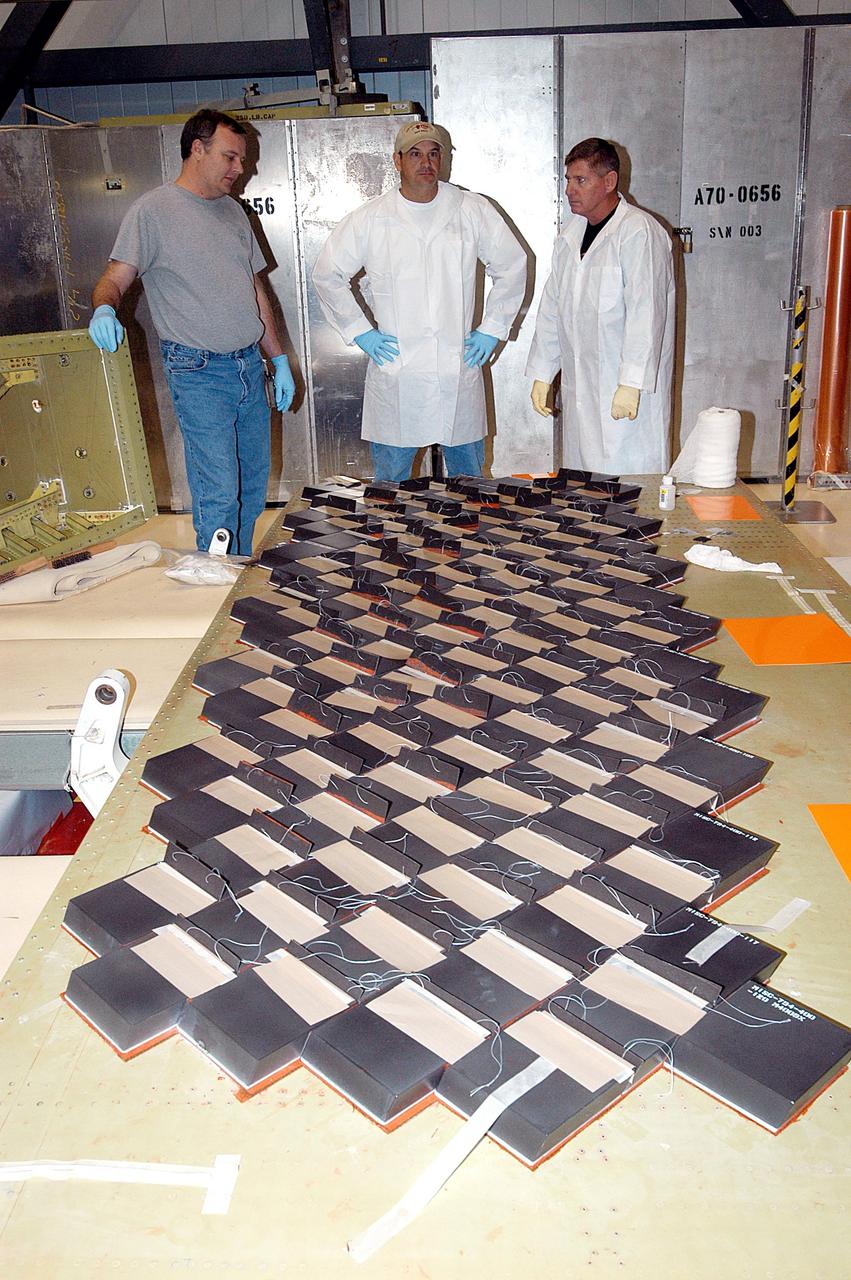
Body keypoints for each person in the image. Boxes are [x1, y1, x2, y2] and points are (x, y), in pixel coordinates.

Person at [87, 108, 295, 556]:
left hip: (247, 368)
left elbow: (255, 289)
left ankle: (232, 570)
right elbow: (115, 279)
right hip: (198, 370)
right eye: (231, 157)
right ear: (197, 150)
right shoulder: (153, 211)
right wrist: (104, 309)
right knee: (219, 489)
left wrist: (277, 358)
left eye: (242, 160)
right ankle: (212, 580)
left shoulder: (234, 213)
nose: (241, 169)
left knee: (251, 486)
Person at [312, 121, 527, 484]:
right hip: (399, 372)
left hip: (455, 371)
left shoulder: (471, 209)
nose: (425, 162)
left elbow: (513, 265)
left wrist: (492, 329)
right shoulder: (371, 219)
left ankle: (467, 540)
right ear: (397, 161)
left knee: (469, 485)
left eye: (433, 153)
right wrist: (360, 331)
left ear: (442, 160)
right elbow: (327, 275)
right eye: (415, 154)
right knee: (391, 487)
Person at [526, 137, 674, 475]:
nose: (569, 190)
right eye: (567, 180)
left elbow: (647, 313)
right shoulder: (569, 237)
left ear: (609, 182)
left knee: (630, 489)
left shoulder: (638, 233)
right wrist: (542, 373)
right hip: (583, 391)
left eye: (580, 180)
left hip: (623, 392)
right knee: (584, 485)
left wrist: (631, 382)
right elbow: (552, 310)